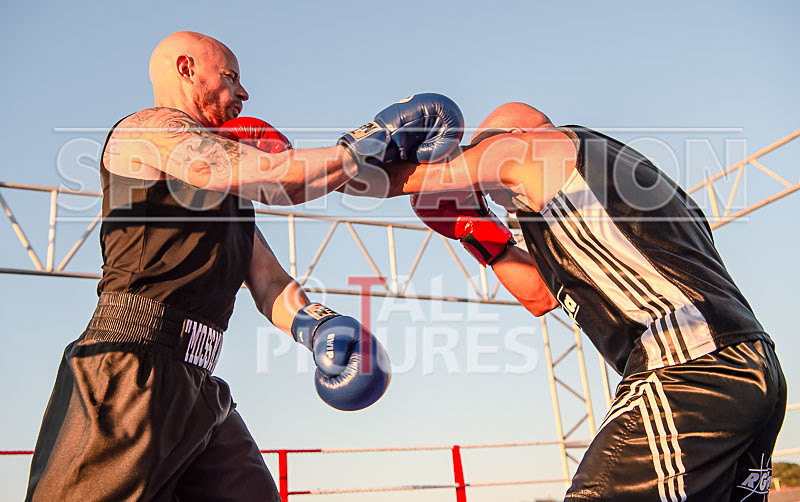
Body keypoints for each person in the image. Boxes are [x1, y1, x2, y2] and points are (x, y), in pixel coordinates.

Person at [25, 30, 463, 501]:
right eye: (230, 76)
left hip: (199, 383)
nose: (245, 93)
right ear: (186, 69)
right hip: (127, 370)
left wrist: (317, 327)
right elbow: (283, 180)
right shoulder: (148, 131)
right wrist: (368, 138)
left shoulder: (224, 190)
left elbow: (268, 281)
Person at [346, 101, 787, 501]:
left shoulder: (534, 149)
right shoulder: (590, 202)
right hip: (753, 368)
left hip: (689, 366)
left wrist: (319, 162)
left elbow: (385, 181)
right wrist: (478, 234)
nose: (496, 198)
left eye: (487, 173)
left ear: (513, 139)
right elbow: (539, 297)